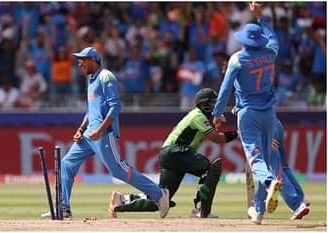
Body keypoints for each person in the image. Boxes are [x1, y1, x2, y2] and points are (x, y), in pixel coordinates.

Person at [41, 47, 169, 220]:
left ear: (94, 59)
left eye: (83, 60)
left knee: (119, 171)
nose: (80, 64)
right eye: (79, 60)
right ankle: (63, 208)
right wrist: (81, 129)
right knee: (67, 163)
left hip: (103, 134)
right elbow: (91, 110)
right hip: (89, 135)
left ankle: (159, 194)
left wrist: (99, 130)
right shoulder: (92, 80)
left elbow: (115, 107)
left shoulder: (105, 76)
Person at [107, 88, 239, 219]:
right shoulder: (198, 116)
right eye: (213, 103)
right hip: (176, 152)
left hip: (171, 154)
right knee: (210, 169)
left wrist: (217, 118)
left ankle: (121, 199)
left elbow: (214, 132)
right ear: (204, 104)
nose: (215, 105)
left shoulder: (200, 116)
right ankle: (200, 210)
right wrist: (237, 134)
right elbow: (217, 139)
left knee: (160, 199)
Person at [211, 3, 281, 225]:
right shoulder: (271, 52)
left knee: (255, 160)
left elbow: (225, 89)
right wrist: (260, 16)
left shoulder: (237, 59)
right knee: (265, 161)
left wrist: (218, 112)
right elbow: (274, 37)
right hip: (269, 114)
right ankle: (258, 210)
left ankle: (270, 183)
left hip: (248, 114)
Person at [269, 118, 311, 220]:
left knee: (275, 170)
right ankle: (300, 200)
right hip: (276, 123)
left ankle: (296, 205)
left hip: (264, 127)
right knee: (283, 167)